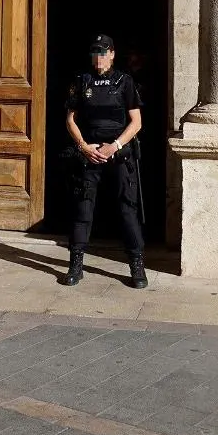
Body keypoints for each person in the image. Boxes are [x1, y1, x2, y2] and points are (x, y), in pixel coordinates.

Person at [61, 33, 147, 289]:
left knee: (126, 209)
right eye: (95, 52)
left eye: (103, 52)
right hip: (90, 153)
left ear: (112, 54)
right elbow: (70, 119)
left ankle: (137, 266)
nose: (99, 58)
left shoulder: (125, 81)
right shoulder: (82, 81)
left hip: (119, 154)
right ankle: (75, 265)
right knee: (83, 210)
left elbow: (136, 122)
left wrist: (116, 146)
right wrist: (84, 147)